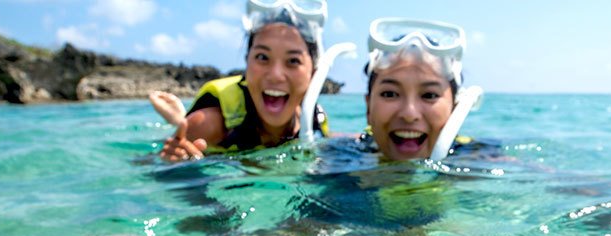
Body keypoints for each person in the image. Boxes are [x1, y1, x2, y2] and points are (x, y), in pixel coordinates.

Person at [150, 0, 333, 163]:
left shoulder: (313, 120)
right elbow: (147, 169)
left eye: (293, 61)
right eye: (262, 57)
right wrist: (180, 167)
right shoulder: (207, 125)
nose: (276, 75)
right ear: (247, 62)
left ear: (314, 74)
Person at [359, 17, 484, 162]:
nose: (409, 114)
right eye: (390, 94)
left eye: (429, 95)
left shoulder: (479, 159)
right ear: (368, 107)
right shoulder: (346, 153)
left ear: (454, 110)